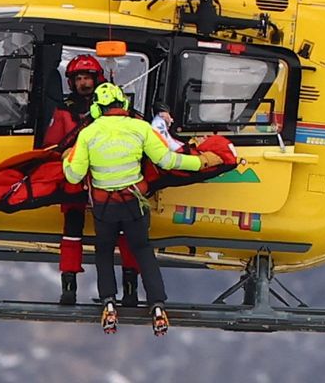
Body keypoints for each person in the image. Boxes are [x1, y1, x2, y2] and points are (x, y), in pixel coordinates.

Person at [63, 82, 223, 335]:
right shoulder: (140, 128)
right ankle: (157, 304)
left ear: (96, 108)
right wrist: (201, 162)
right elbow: (167, 160)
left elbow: (73, 176)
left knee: (104, 251)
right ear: (123, 104)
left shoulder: (88, 134)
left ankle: (108, 301)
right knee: (142, 250)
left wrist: (67, 160)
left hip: (104, 208)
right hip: (134, 203)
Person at [42, 55, 142, 306]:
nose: (84, 83)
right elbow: (53, 144)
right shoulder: (65, 111)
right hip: (78, 181)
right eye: (79, 79)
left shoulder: (119, 112)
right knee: (71, 229)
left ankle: (130, 288)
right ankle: (68, 286)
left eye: (87, 78)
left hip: (108, 180)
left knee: (125, 233)